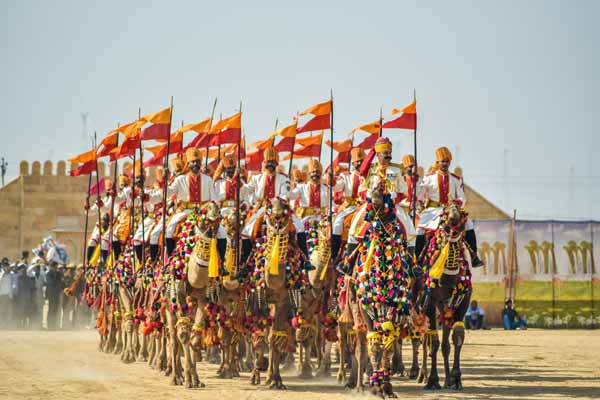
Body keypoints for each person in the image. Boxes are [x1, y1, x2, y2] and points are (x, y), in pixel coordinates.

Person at [416, 146, 483, 268]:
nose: (445, 164)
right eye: (442, 161)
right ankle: (418, 262)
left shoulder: (456, 179)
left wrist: (456, 202)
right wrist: (417, 184)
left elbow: (463, 198)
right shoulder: (429, 178)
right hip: (434, 211)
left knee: (469, 225)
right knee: (419, 229)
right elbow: (419, 195)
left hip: (452, 209)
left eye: (447, 161)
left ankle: (474, 257)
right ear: (438, 162)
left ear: (450, 162)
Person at [45, 262, 63, 330]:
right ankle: (49, 325)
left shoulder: (58, 274)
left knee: (55, 309)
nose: (55, 268)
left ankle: (53, 325)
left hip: (57, 294)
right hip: (51, 293)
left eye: (55, 267)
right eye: (54, 267)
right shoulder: (49, 274)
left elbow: (60, 282)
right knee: (51, 309)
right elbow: (50, 283)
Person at [0, 260, 13, 329]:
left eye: (8, 267)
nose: (7, 268)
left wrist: (11, 296)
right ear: (3, 267)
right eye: (6, 267)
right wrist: (3, 275)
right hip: (2, 296)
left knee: (8, 311)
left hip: (8, 296)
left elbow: (10, 286)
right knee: (2, 311)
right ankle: (1, 325)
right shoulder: (1, 274)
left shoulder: (10, 275)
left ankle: (7, 325)